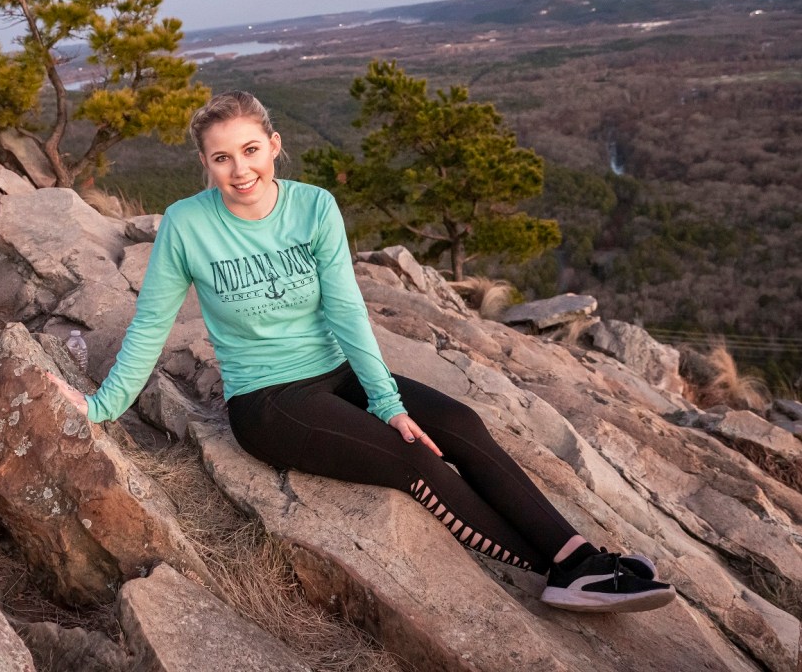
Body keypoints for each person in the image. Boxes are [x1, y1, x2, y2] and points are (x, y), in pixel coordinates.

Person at [49, 91, 676, 613]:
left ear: (273, 144)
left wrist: (387, 400)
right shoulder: (188, 224)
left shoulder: (313, 205)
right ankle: (562, 575)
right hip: (268, 402)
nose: (239, 170)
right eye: (221, 159)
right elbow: (151, 324)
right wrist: (101, 406)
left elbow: (347, 311)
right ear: (205, 166)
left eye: (249, 150)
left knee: (460, 424)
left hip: (337, 371)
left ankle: (577, 557)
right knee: (416, 463)